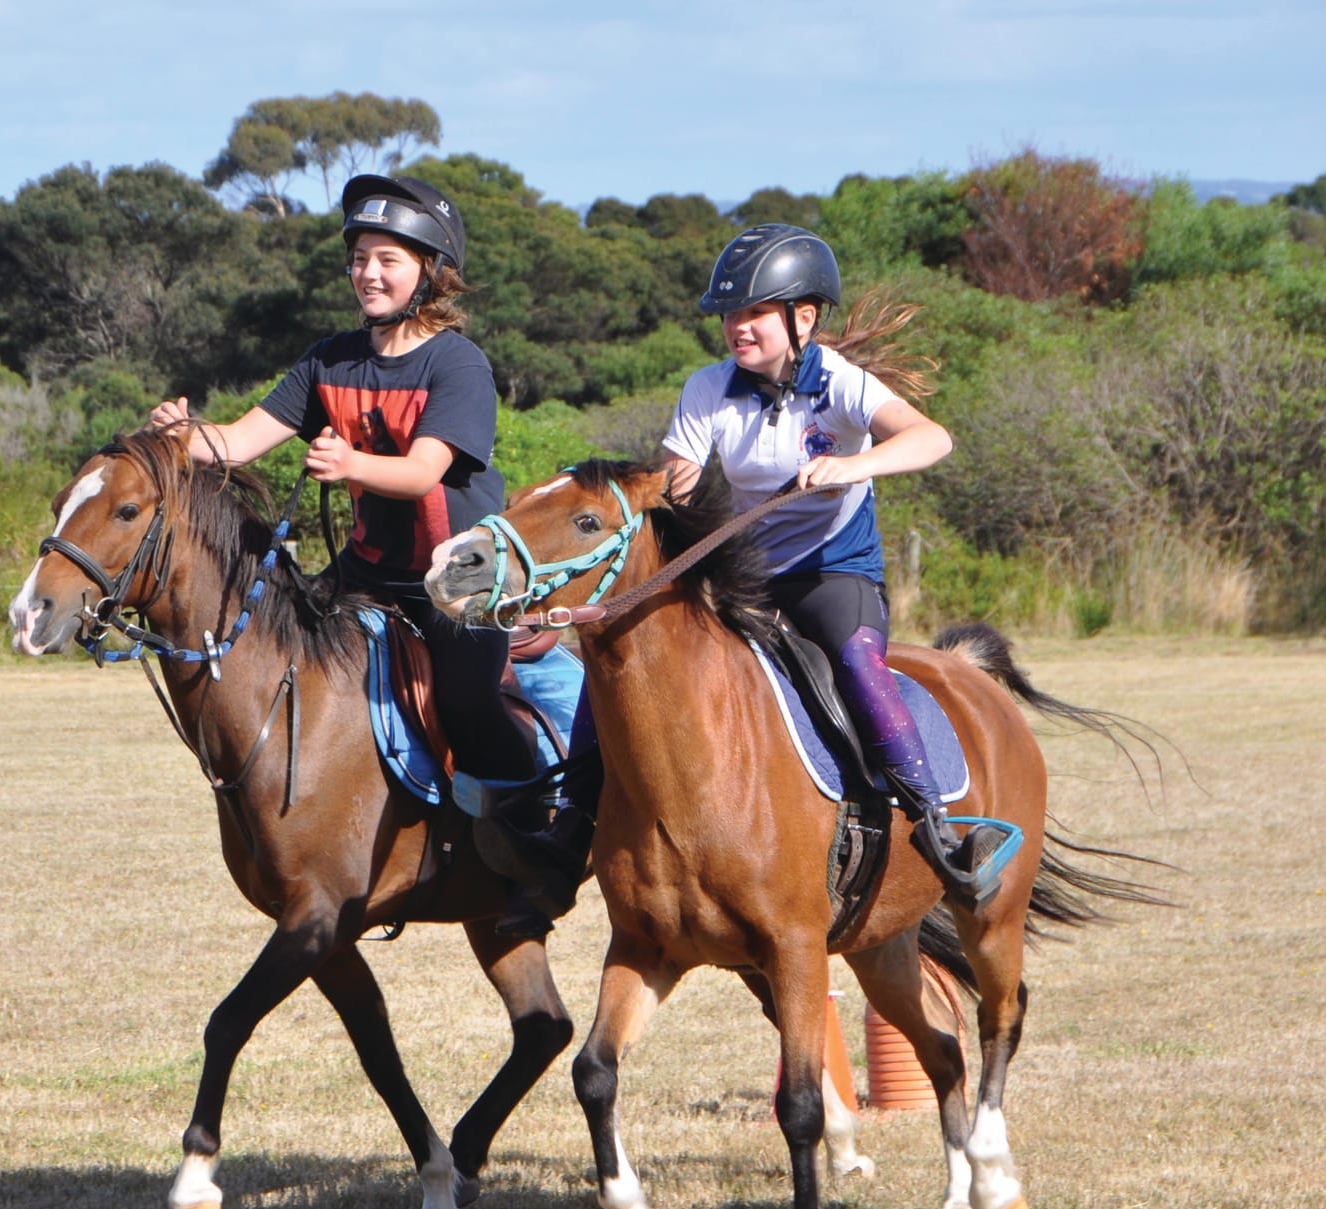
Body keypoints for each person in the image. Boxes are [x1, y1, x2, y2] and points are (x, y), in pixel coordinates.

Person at [148, 174, 579, 933]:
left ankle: (536, 843)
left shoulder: (458, 365)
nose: (368, 274)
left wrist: (349, 466)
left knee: (471, 697)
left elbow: (422, 472)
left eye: (388, 259)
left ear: (430, 272)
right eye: (358, 259)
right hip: (367, 570)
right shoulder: (330, 360)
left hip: (460, 574)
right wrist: (182, 433)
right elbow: (239, 442)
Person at [659, 222, 1002, 909]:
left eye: (754, 312)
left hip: (835, 576)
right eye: (731, 314)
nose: (737, 327)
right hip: (749, 578)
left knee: (854, 665)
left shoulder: (840, 381)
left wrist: (855, 464)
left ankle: (942, 829)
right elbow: (679, 484)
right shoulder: (707, 389)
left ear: (802, 317)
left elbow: (932, 439)